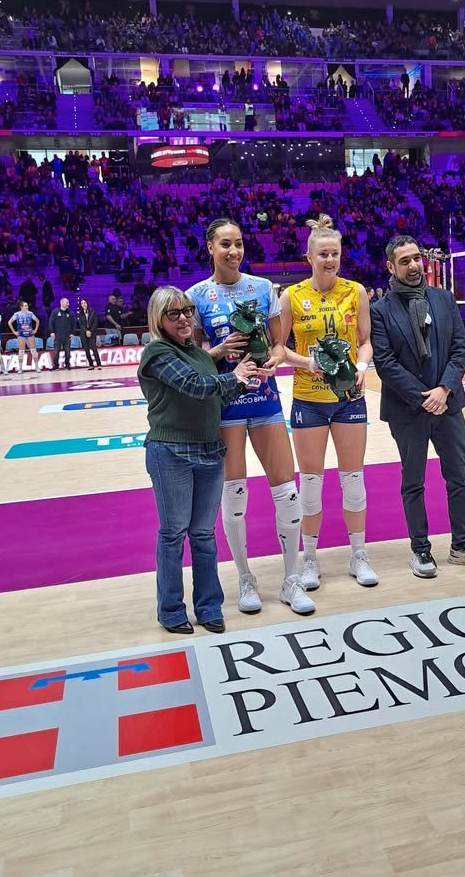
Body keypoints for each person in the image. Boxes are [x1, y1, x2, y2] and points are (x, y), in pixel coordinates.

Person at [186, 218, 313, 616]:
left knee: (286, 491)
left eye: (239, 243)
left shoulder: (262, 288)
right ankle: (245, 578)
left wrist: (274, 359)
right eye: (225, 244)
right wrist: (220, 351)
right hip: (224, 406)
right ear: (210, 247)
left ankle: (291, 580)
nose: (234, 251)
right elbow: (193, 359)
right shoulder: (195, 296)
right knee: (234, 494)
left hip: (264, 400)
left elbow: (278, 345)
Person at [370, 236, 465, 578]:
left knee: (459, 476)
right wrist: (425, 396)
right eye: (405, 261)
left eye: (416, 258)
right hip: (408, 409)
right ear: (391, 267)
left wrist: (444, 389)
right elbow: (386, 364)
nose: (414, 266)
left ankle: (461, 545)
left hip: (448, 404)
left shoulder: (444, 299)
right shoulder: (380, 310)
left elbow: (459, 349)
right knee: (413, 481)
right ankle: (420, 549)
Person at [137, 286, 260, 635]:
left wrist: (245, 381)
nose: (183, 318)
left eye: (187, 310)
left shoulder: (199, 354)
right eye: (173, 313)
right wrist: (232, 377)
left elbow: (215, 395)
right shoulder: (157, 352)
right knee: (173, 534)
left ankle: (208, 607)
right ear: (158, 319)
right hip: (171, 452)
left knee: (204, 534)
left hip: (209, 451)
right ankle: (170, 610)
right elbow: (193, 386)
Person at [280, 213, 377, 591]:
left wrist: (362, 366)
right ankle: (309, 559)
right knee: (310, 484)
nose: (330, 260)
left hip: (348, 398)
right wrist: (308, 363)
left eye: (335, 253)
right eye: (323, 254)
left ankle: (359, 555)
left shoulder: (356, 292)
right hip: (309, 399)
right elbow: (278, 348)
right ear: (309, 257)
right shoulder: (291, 296)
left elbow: (365, 341)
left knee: (353, 480)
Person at [8, 301, 42, 374]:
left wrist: (35, 330)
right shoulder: (17, 314)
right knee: (21, 351)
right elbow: (9, 322)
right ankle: (20, 368)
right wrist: (14, 332)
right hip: (21, 335)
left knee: (33, 350)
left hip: (30, 334)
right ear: (21, 307)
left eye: (27, 305)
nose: (27, 307)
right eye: (25, 306)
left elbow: (37, 321)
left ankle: (37, 367)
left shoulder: (30, 313)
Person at [49, 297, 77, 371]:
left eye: (68, 302)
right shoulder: (55, 312)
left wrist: (73, 333)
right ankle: (56, 365)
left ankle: (67, 365)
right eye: (67, 302)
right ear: (62, 303)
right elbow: (51, 322)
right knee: (56, 352)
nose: (68, 304)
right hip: (57, 335)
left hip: (67, 336)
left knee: (67, 352)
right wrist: (52, 332)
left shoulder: (71, 313)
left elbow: (74, 324)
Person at [78, 298, 102, 369]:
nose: (83, 304)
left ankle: (99, 364)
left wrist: (90, 331)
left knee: (94, 348)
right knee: (86, 349)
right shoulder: (80, 314)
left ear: (87, 303)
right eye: (82, 303)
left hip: (92, 332)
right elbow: (81, 324)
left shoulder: (92, 311)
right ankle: (91, 365)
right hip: (84, 333)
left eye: (84, 303)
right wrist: (86, 331)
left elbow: (95, 322)